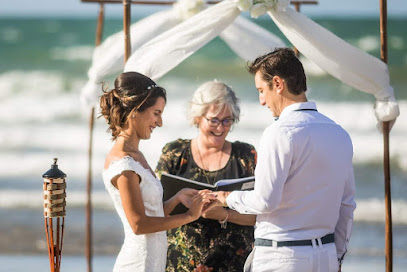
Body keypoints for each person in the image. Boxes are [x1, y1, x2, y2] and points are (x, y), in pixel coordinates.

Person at [206, 48, 356, 272]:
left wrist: (226, 198)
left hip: (283, 257)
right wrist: (337, 257)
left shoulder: (279, 132)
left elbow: (265, 201)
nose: (262, 101)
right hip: (325, 256)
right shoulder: (340, 134)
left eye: (261, 90)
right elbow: (347, 204)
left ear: (277, 84)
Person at [100, 72, 214, 272]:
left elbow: (152, 212)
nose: (159, 123)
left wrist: (177, 198)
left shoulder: (137, 156)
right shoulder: (124, 165)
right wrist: (189, 216)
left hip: (152, 262)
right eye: (156, 113)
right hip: (138, 264)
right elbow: (139, 225)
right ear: (135, 110)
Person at [155, 80, 257, 272]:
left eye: (228, 120)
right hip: (181, 265)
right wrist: (185, 206)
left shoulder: (245, 156)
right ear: (197, 117)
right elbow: (153, 211)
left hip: (233, 266)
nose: (221, 128)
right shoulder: (174, 153)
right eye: (214, 120)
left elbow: (262, 213)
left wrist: (225, 214)